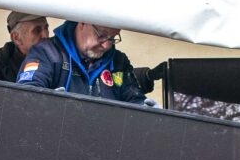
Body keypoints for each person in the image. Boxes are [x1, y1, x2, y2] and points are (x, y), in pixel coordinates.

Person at [16, 20, 147, 104]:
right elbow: (26, 96)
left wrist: (146, 111)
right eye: (101, 35)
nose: (107, 45)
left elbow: (135, 100)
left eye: (112, 38)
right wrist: (52, 105)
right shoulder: (46, 52)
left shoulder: (119, 62)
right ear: (82, 23)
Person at [0, 11, 50, 82]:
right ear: (16, 38)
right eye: (37, 30)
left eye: (46, 28)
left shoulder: (56, 58)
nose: (45, 35)